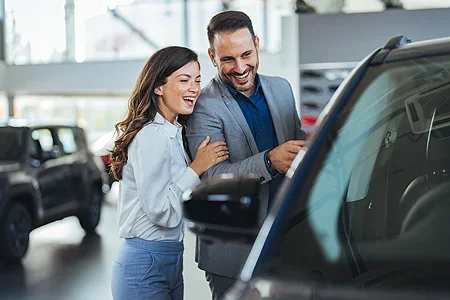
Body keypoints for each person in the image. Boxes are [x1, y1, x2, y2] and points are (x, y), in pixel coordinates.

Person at [185, 10, 307, 300]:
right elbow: (211, 178)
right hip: (232, 249)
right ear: (212, 57)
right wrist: (269, 161)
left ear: (257, 43)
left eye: (246, 54)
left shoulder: (282, 88)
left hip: (285, 239)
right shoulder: (203, 107)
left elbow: (297, 143)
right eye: (227, 59)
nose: (240, 67)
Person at [109, 46, 228, 300]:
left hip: (169, 257)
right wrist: (197, 167)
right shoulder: (152, 135)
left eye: (197, 80)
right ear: (158, 87)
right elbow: (161, 212)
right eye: (183, 80)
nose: (194, 88)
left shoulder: (173, 131)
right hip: (145, 262)